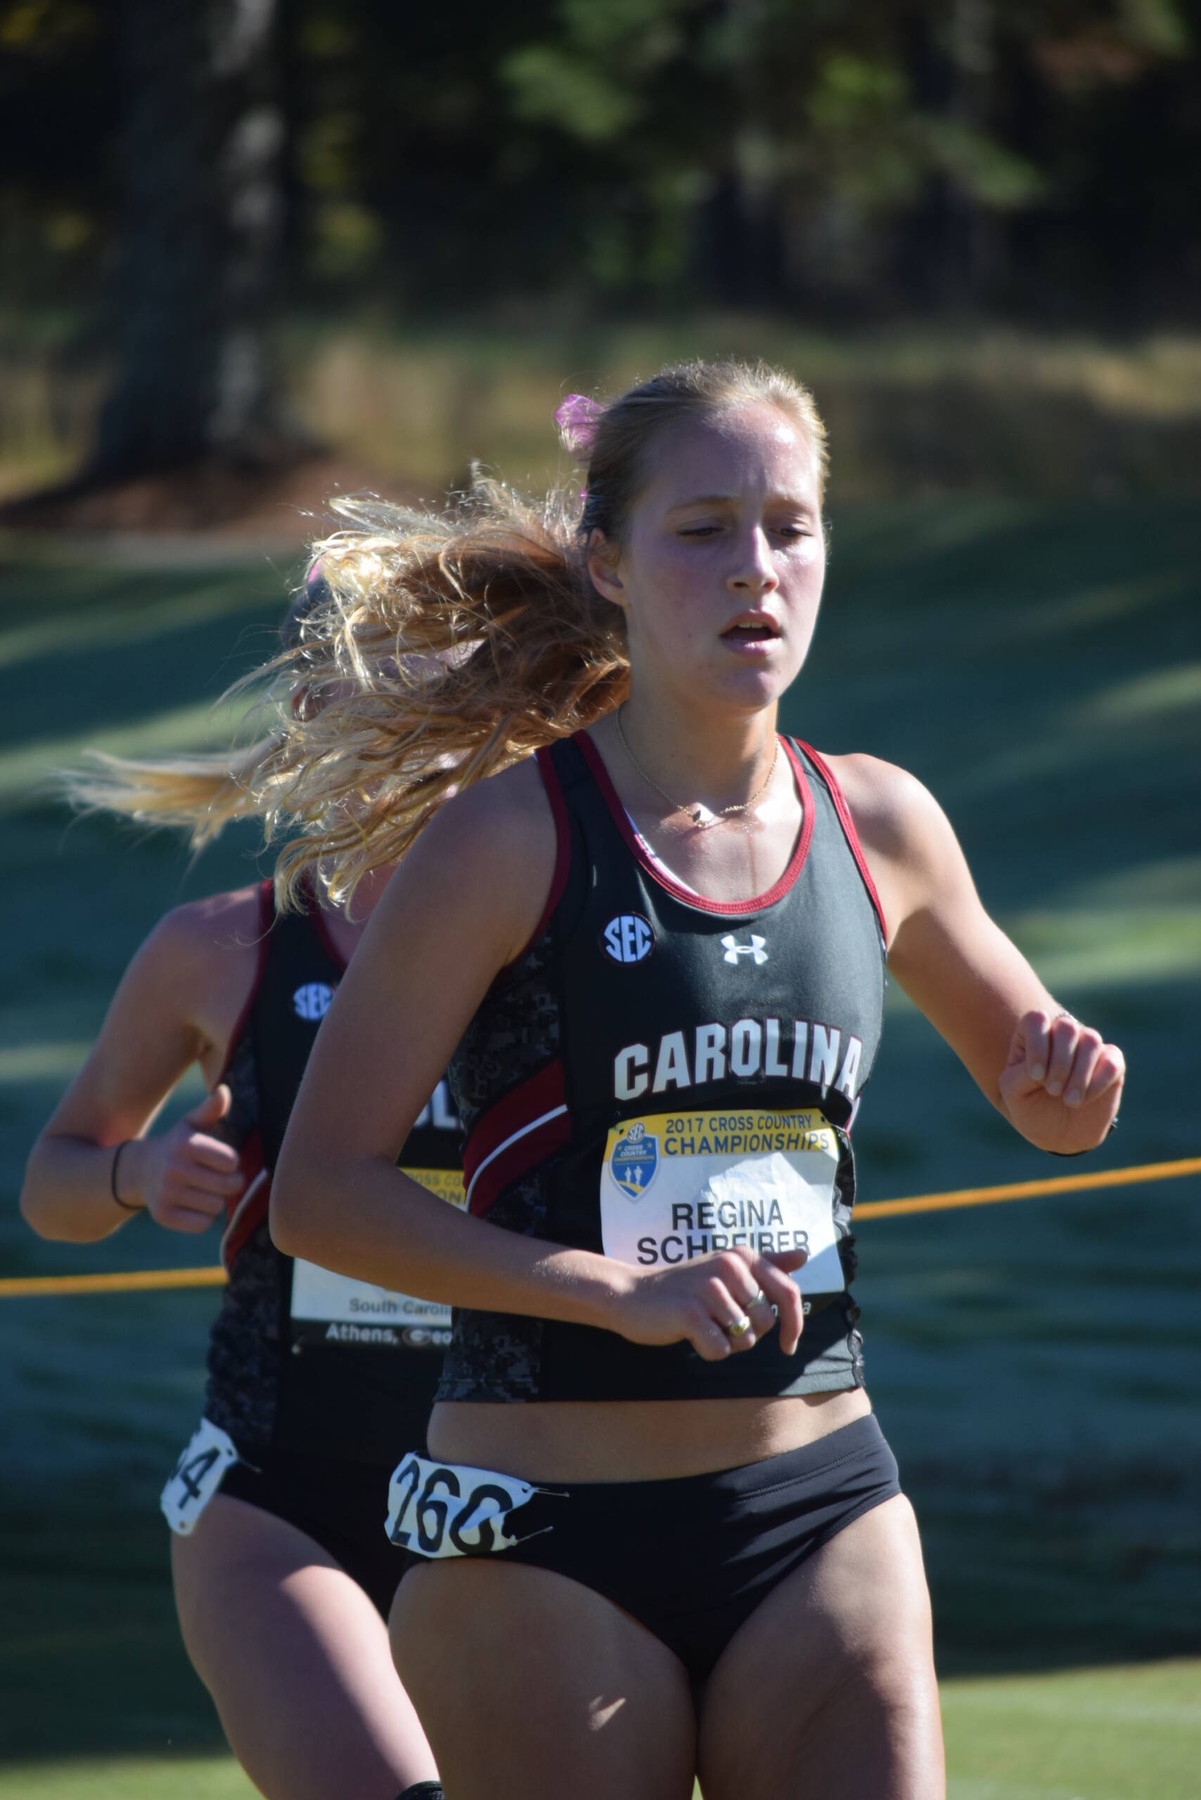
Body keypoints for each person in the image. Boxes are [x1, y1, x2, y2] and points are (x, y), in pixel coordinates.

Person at [261, 360, 1125, 1800]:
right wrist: (616, 1292)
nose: (756, 571)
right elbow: (321, 1199)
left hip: (817, 1505)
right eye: (703, 529)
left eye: (790, 527)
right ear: (608, 562)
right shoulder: (504, 841)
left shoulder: (886, 822)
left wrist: (1064, 1096)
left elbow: (1039, 1093)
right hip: (539, 1530)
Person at [20, 575, 455, 1800]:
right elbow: (51, 1186)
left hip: (513, 1486)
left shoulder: (547, 937)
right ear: (303, 705)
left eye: (414, 677)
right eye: (340, 679)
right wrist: (134, 1170)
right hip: (279, 1497)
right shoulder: (220, 947)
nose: (376, 712)